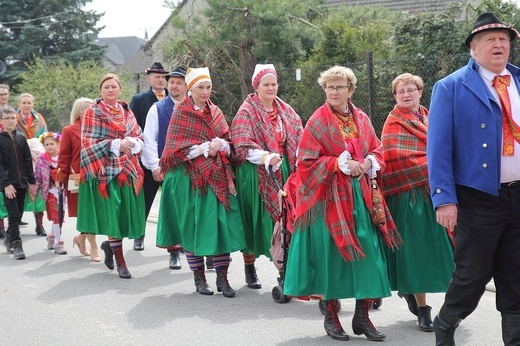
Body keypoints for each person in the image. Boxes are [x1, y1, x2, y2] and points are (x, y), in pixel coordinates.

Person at [283, 66, 401, 341]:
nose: (334, 92)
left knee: (368, 255)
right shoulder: (317, 121)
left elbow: (376, 148)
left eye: (339, 87)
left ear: (350, 89)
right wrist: (337, 163)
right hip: (328, 200)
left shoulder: (361, 118)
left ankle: (362, 317)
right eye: (329, 87)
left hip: (360, 198)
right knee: (332, 259)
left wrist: (370, 162)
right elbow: (305, 163)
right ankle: (332, 317)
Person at [428, 13, 520, 346]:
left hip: (518, 195)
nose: (499, 45)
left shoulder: (519, 81)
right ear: (474, 47)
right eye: (490, 40)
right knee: (472, 276)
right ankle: (446, 322)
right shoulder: (451, 87)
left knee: (516, 276)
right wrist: (444, 199)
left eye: (504, 40)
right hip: (477, 196)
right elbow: (437, 149)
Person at [158, 67, 246, 297]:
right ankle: (199, 278)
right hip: (189, 179)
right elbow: (174, 153)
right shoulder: (181, 113)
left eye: (208, 87)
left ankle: (223, 279)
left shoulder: (216, 112)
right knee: (192, 228)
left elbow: (228, 140)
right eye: (201, 87)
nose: (205, 92)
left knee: (221, 227)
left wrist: (222, 145)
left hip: (216, 177)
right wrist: (202, 148)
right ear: (191, 88)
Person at [380, 73, 454, 332]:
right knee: (416, 252)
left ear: (421, 92)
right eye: (401, 91)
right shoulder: (393, 122)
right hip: (408, 197)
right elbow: (395, 157)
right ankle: (423, 308)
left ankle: (448, 305)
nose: (406, 95)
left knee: (447, 250)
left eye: (411, 90)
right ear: (395, 96)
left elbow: (448, 146)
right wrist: (435, 166)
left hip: (440, 194)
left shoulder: (433, 117)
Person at [230, 64, 303, 289]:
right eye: (266, 84)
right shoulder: (247, 111)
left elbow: (299, 136)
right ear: (257, 86)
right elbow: (241, 145)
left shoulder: (286, 110)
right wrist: (264, 157)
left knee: (283, 220)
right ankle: (249, 267)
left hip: (283, 169)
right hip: (256, 173)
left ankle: (285, 267)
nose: (271, 88)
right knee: (254, 219)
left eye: (274, 84)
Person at [77, 73, 145, 279]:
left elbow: (139, 134)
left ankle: (110, 246)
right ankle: (121, 263)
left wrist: (133, 143)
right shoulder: (92, 111)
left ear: (119, 89)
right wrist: (116, 144)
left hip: (128, 169)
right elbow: (88, 143)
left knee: (125, 215)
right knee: (114, 215)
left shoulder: (127, 111)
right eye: (106, 87)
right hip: (106, 172)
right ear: (101, 90)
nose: (110, 90)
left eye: (113, 86)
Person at [142, 66, 188, 269]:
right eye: (172, 82)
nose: (174, 86)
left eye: (179, 82)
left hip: (193, 168)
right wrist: (154, 166)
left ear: (188, 85)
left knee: (192, 208)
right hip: (168, 167)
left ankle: (194, 247)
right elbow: (149, 139)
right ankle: (174, 251)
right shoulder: (158, 108)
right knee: (172, 210)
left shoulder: (194, 107)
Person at [130, 61, 168, 251]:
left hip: (169, 158)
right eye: (157, 77)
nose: (161, 80)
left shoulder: (174, 98)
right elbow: (133, 127)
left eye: (163, 77)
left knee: (171, 202)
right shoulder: (139, 100)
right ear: (149, 79)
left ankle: (173, 242)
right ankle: (139, 234)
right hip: (147, 157)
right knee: (145, 198)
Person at [58, 97, 100, 262]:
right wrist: (60, 180)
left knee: (94, 212)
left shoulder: (98, 128)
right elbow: (64, 157)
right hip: (78, 178)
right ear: (80, 112)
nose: (94, 111)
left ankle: (81, 238)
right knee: (87, 212)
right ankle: (94, 245)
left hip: (97, 177)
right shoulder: (69, 130)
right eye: (90, 109)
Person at [0, 106, 36, 259]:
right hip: (8, 184)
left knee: (19, 213)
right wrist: (5, 183)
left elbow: (28, 161)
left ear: (16, 119)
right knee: (13, 214)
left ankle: (8, 237)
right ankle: (16, 243)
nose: (10, 121)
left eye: (12, 118)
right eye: (7, 118)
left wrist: (32, 182)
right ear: (1, 120)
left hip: (22, 183)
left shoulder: (21, 138)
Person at [16, 93, 48, 236]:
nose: (27, 105)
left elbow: (44, 136)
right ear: (19, 105)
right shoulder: (14, 119)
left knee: (38, 188)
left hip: (37, 158)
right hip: (19, 157)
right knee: (19, 189)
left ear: (33, 104)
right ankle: (14, 222)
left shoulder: (39, 119)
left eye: (29, 102)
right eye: (24, 103)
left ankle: (39, 225)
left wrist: (39, 152)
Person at [34, 132, 67, 255]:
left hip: (63, 193)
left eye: (52, 143)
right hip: (51, 193)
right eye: (46, 144)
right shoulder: (41, 159)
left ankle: (51, 237)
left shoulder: (64, 157)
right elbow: (37, 177)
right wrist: (34, 191)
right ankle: (60, 243)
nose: (49, 146)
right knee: (57, 216)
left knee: (58, 217)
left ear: (58, 144)